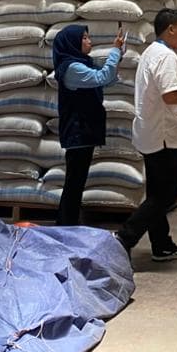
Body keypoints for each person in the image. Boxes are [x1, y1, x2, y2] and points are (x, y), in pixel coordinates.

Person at [116, 9, 177, 261]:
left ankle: (161, 244)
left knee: (156, 192)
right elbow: (171, 96)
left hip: (150, 132)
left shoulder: (150, 52)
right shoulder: (166, 56)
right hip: (163, 136)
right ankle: (124, 237)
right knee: (166, 194)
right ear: (171, 29)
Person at [51, 22, 127, 226]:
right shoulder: (72, 68)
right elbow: (102, 77)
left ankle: (68, 222)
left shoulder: (83, 63)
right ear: (72, 43)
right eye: (84, 38)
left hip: (84, 131)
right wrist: (114, 52)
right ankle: (65, 224)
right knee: (74, 182)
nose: (89, 41)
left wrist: (117, 57)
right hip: (78, 132)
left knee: (77, 181)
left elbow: (106, 80)